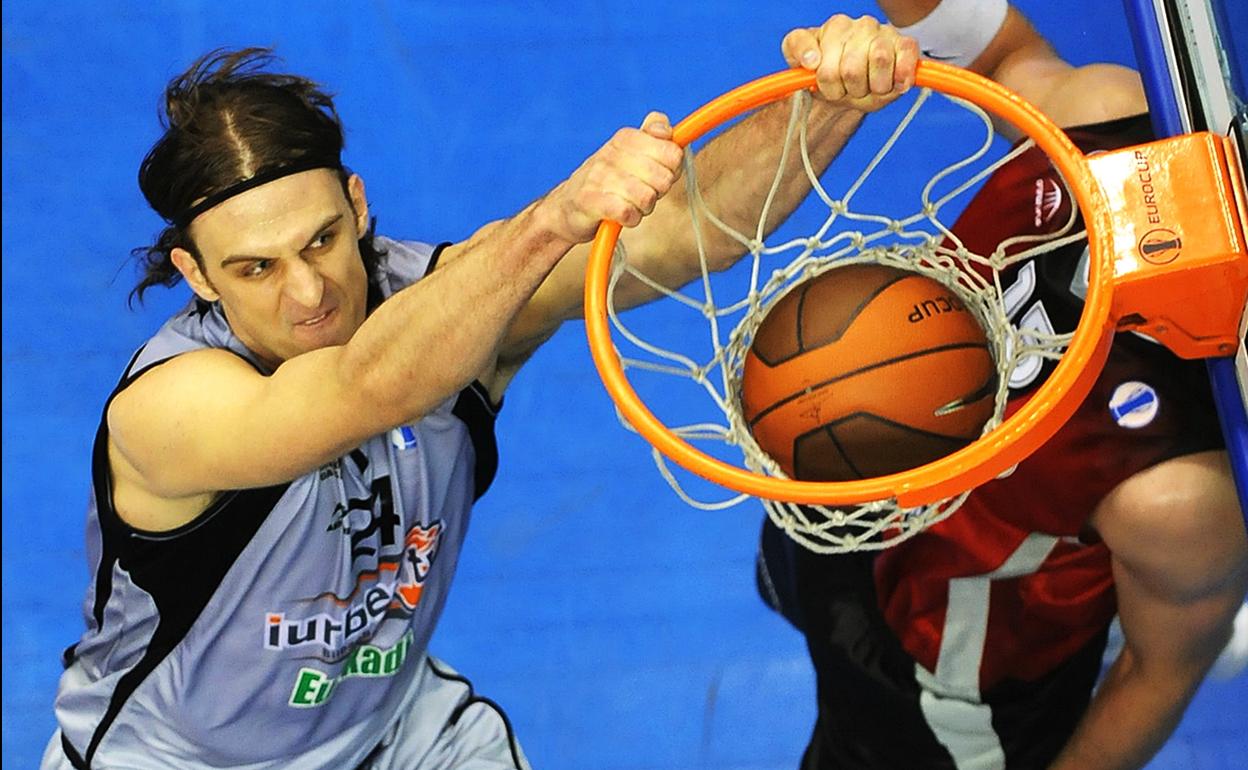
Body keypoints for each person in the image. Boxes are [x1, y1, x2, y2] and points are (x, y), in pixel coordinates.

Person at [42, 16, 921, 770]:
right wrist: (549, 224)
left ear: (358, 204)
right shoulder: (166, 411)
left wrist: (828, 100)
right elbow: (362, 386)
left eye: (321, 241)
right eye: (255, 269)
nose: (308, 293)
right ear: (197, 274)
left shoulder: (460, 300)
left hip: (399, 737)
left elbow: (690, 226)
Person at [756, 1, 1248, 769]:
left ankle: (1161, 595)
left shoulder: (1176, 498)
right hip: (837, 490)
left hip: (951, 664)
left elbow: (1158, 675)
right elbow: (1004, 52)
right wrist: (868, 42)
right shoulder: (1100, 115)